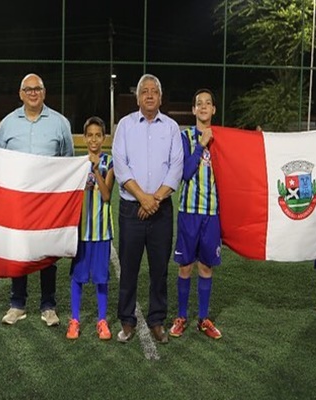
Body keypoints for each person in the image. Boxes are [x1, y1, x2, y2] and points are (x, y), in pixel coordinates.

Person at [0, 73, 74, 327]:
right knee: (20, 251)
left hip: (48, 202)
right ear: (20, 94)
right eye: (28, 89)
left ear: (44, 92)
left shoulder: (60, 123)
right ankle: (17, 303)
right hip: (18, 202)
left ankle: (48, 305)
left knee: (46, 252)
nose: (33, 93)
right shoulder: (8, 124)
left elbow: (67, 159)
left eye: (37, 89)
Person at [112, 74, 184, 344]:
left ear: (161, 98)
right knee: (129, 268)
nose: (150, 95)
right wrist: (143, 198)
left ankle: (156, 320)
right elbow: (120, 165)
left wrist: (155, 200)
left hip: (162, 211)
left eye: (155, 91)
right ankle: (127, 321)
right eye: (145, 91)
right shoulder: (125, 126)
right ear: (138, 97)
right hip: (132, 211)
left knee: (159, 270)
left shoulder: (172, 127)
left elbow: (176, 166)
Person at [169, 89, 222, 340]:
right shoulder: (185, 137)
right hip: (189, 211)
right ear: (193, 110)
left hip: (212, 213)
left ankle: (203, 319)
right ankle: (181, 316)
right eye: (198, 103)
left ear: (213, 110)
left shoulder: (223, 138)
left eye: (207, 103)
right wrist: (201, 146)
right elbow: (186, 173)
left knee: (206, 267)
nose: (203, 107)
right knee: (185, 267)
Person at [66, 116, 115, 340]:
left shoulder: (109, 163)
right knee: (78, 276)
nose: (94, 139)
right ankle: (75, 320)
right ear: (84, 138)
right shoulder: (77, 164)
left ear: (103, 138)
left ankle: (102, 320)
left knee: (101, 278)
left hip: (101, 231)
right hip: (81, 232)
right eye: (90, 135)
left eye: (98, 135)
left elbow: (106, 195)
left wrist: (95, 172)